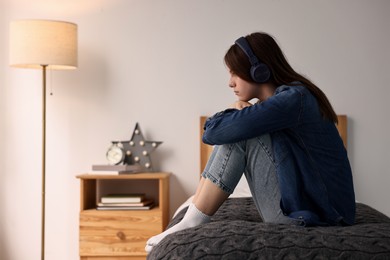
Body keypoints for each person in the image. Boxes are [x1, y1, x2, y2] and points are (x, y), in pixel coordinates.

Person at [145, 32, 355, 253]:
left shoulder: (294, 99)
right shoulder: (291, 99)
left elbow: (212, 133)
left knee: (242, 134)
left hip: (318, 218)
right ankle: (192, 216)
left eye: (234, 73)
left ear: (259, 71)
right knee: (240, 131)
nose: (230, 82)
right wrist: (239, 112)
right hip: (313, 210)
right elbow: (212, 131)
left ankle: (193, 220)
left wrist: (238, 115)